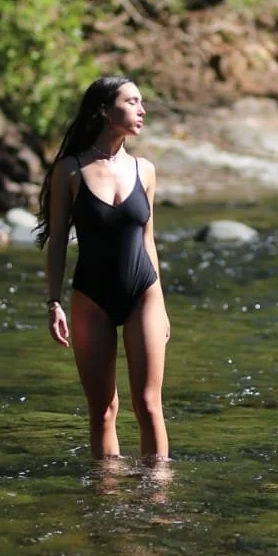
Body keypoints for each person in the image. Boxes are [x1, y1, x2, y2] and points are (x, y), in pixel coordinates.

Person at [37, 75, 170, 461]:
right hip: (91, 297)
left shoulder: (145, 170)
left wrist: (160, 306)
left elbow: (148, 241)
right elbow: (58, 240)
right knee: (103, 412)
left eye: (141, 102)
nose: (142, 110)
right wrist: (53, 301)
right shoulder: (70, 171)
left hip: (142, 293)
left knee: (148, 406)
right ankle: (105, 503)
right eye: (132, 102)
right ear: (104, 111)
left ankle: (156, 498)